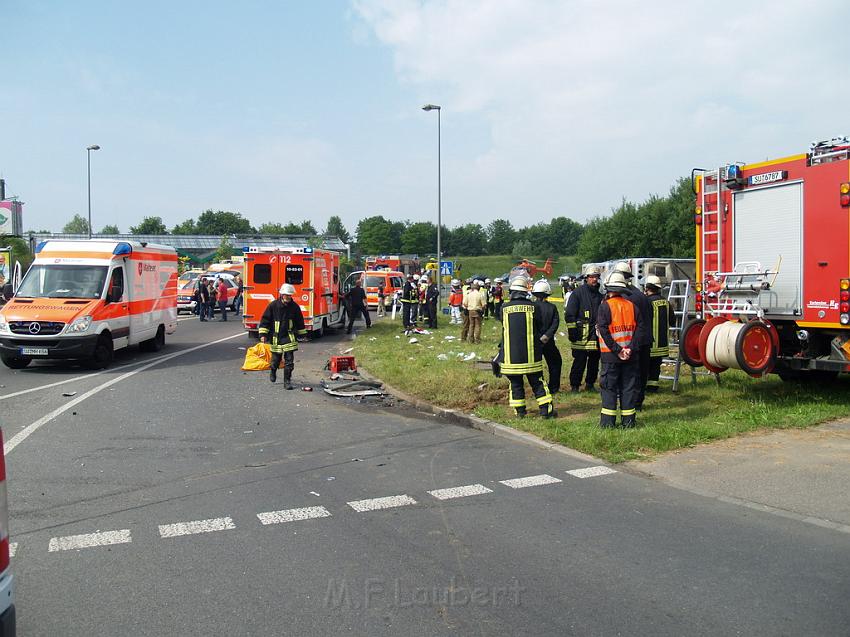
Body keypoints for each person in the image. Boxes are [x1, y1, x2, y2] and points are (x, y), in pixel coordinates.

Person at [497, 276, 556, 419]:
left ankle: (520, 413)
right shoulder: (534, 307)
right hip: (531, 355)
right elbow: (541, 326)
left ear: (511, 292)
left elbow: (504, 326)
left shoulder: (504, 308)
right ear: (525, 292)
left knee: (516, 384)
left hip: (511, 357)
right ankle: (546, 412)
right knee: (538, 383)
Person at [596, 271, 644, 428]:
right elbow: (640, 331)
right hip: (631, 356)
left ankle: (608, 424)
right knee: (628, 388)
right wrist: (629, 349)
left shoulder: (605, 307)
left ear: (608, 289)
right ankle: (629, 423)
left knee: (609, 388)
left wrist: (617, 350)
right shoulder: (633, 307)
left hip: (611, 357)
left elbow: (603, 331)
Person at [614, 261, 653, 409]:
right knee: (641, 373)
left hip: (630, 343)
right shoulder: (640, 294)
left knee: (629, 374)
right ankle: (638, 402)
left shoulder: (624, 297)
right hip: (644, 341)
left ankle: (628, 402)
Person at [259, 283, 307, 389]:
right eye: (286, 295)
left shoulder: (295, 307)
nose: (288, 297)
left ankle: (287, 381)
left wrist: (302, 334)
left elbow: (300, 321)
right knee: (276, 360)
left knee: (289, 361)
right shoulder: (273, 305)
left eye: (290, 295)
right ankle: (273, 370)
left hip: (289, 337)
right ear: (282, 294)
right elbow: (265, 320)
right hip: (276, 338)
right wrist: (263, 334)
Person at [565, 266, 603, 392]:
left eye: (596, 277)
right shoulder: (577, 293)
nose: (594, 279)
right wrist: (573, 331)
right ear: (586, 278)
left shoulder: (599, 295)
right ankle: (575, 386)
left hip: (595, 335)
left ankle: (590, 384)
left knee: (594, 361)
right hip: (580, 336)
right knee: (579, 362)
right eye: (592, 277)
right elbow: (570, 314)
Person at [644, 275, 674, 394]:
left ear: (647, 288)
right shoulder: (666, 302)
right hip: (662, 343)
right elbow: (672, 321)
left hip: (649, 343)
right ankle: (653, 386)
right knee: (656, 366)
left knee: (646, 365)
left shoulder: (647, 302)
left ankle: (646, 385)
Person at [532, 279, 562, 394]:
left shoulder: (532, 307)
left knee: (536, 367)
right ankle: (554, 388)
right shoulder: (552, 308)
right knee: (555, 363)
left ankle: (539, 388)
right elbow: (555, 323)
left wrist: (538, 337)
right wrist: (546, 336)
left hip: (535, 342)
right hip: (548, 342)